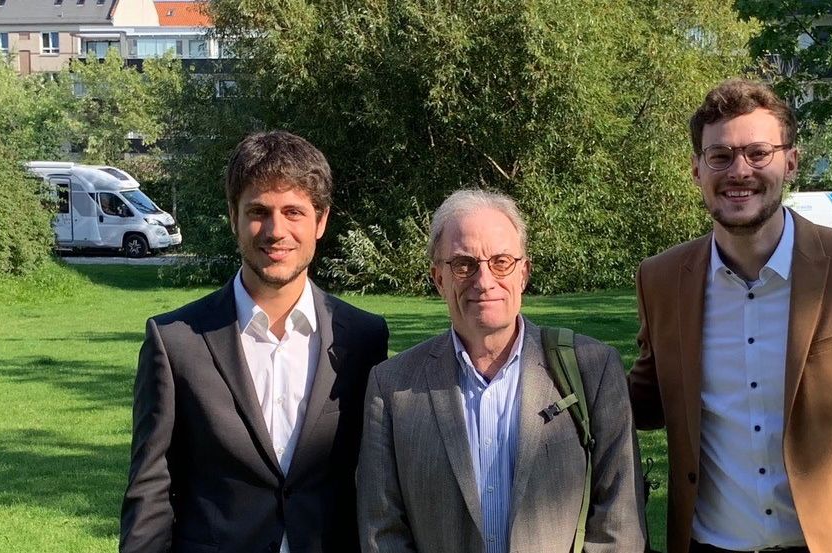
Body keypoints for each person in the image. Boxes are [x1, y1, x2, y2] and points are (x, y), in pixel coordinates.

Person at [628, 79, 832, 553]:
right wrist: (546, 374)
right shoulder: (661, 279)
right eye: (720, 156)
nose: (739, 171)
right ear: (696, 169)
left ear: (790, 162)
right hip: (708, 545)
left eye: (758, 153)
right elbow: (647, 399)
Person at [120, 131, 389, 553]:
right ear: (234, 217)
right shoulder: (175, 343)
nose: (276, 230)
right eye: (259, 211)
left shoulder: (364, 339)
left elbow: (378, 482)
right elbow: (150, 492)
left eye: (294, 212)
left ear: (321, 221)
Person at [356, 189, 647, 553]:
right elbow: (382, 530)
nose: (484, 281)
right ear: (438, 278)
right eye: (464, 264)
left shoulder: (593, 368)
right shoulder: (392, 386)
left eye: (501, 262)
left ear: (524, 272)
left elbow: (619, 525)